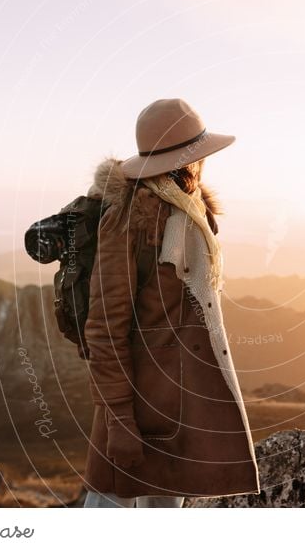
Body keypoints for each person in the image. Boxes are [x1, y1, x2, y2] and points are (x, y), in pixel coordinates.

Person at [80, 98, 260, 508]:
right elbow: (104, 329)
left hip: (178, 412)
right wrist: (120, 422)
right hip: (134, 411)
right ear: (189, 161)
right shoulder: (128, 221)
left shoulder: (192, 214)